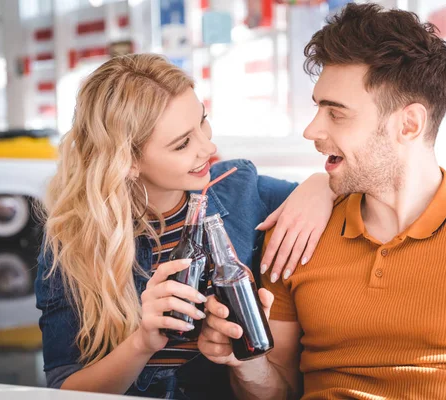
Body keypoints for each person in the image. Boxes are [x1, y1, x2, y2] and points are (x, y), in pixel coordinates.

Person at [199, 3, 446, 399]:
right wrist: (248, 365)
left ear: (408, 124)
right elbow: (275, 391)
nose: (311, 130)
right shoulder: (296, 235)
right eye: (318, 108)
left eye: (337, 114)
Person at [35, 53, 336, 399]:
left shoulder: (242, 191)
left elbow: (345, 190)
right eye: (182, 143)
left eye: (203, 122)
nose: (208, 147)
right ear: (129, 162)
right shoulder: (71, 242)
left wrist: (320, 186)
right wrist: (142, 342)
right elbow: (63, 389)